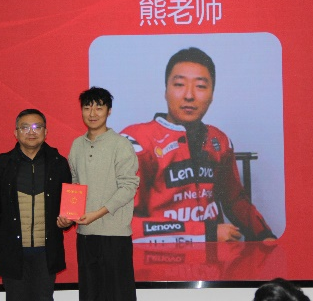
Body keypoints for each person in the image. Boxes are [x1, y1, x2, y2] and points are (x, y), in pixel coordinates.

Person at [121, 47, 276, 243]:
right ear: (166, 91)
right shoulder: (137, 141)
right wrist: (205, 233)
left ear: (212, 95)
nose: (189, 95)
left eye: (201, 86)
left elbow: (235, 200)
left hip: (214, 259)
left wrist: (264, 235)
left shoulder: (219, 141)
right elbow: (120, 223)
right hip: (158, 257)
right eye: (179, 84)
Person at [58, 87, 139, 301]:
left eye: (99, 108)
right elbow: (74, 185)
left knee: (118, 295)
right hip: (85, 234)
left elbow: (129, 186)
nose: (92, 114)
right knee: (90, 294)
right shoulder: (77, 145)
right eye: (87, 108)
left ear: (109, 111)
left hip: (115, 235)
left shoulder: (121, 144)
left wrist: (98, 213)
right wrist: (68, 216)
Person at [0, 109, 72, 301]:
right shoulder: (2, 165)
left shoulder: (58, 164)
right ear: (16, 133)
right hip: (12, 251)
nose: (31, 132)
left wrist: (68, 221)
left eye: (37, 127)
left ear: (45, 132)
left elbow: (68, 207)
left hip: (46, 252)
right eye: (25, 127)